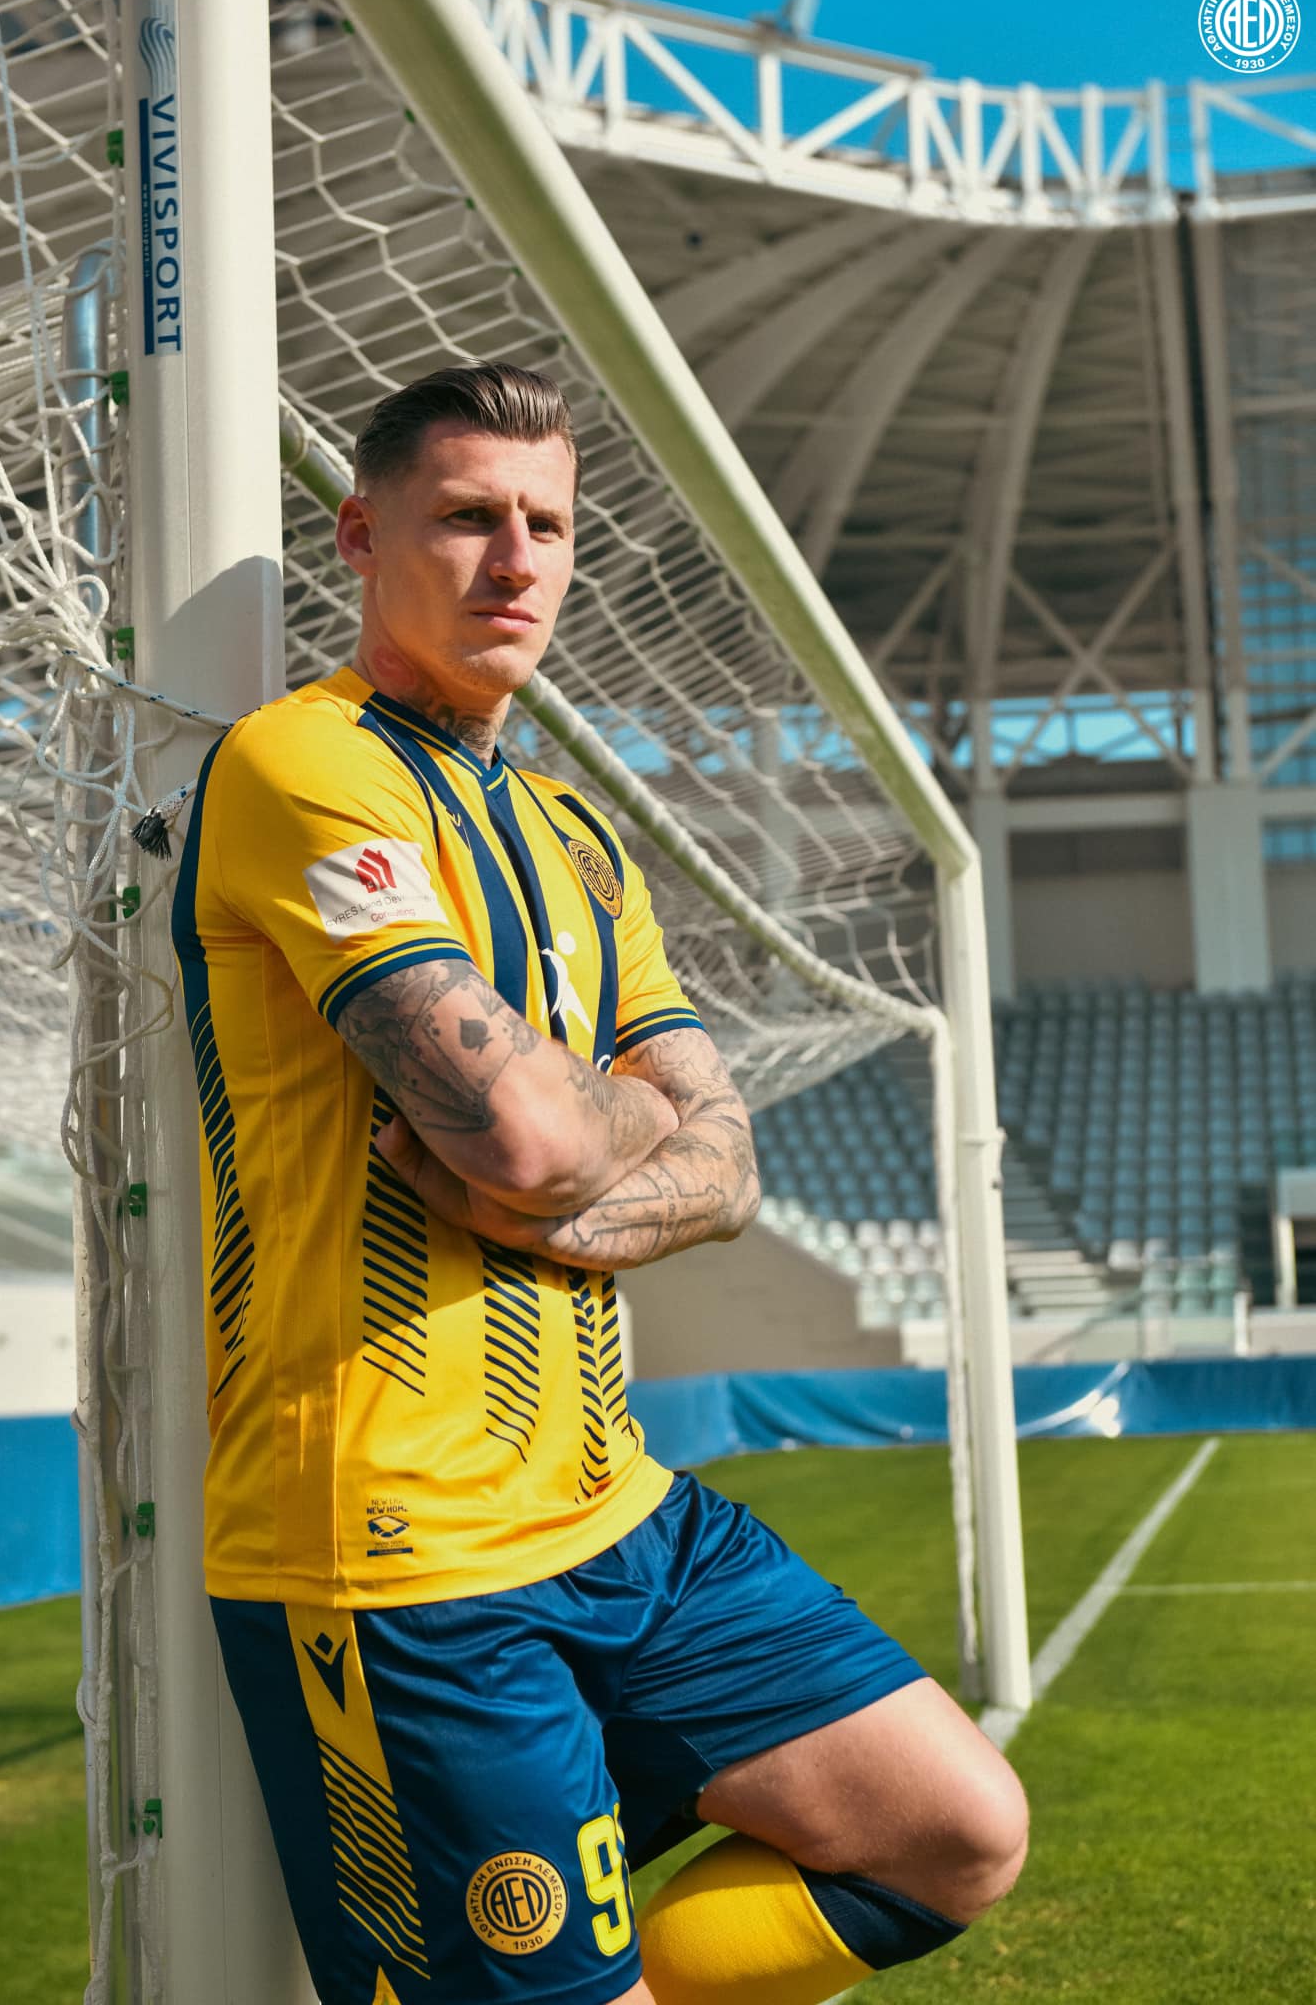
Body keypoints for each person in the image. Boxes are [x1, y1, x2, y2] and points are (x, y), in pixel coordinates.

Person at [171, 361, 1027, 2005]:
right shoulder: (304, 766)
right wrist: (608, 1125)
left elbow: (723, 1168)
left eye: (546, 525)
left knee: (951, 1830)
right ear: (359, 535)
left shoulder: (576, 834)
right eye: (465, 517)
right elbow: (543, 1142)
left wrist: (570, 1147)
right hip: (403, 1552)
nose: (514, 560)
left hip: (618, 1509)